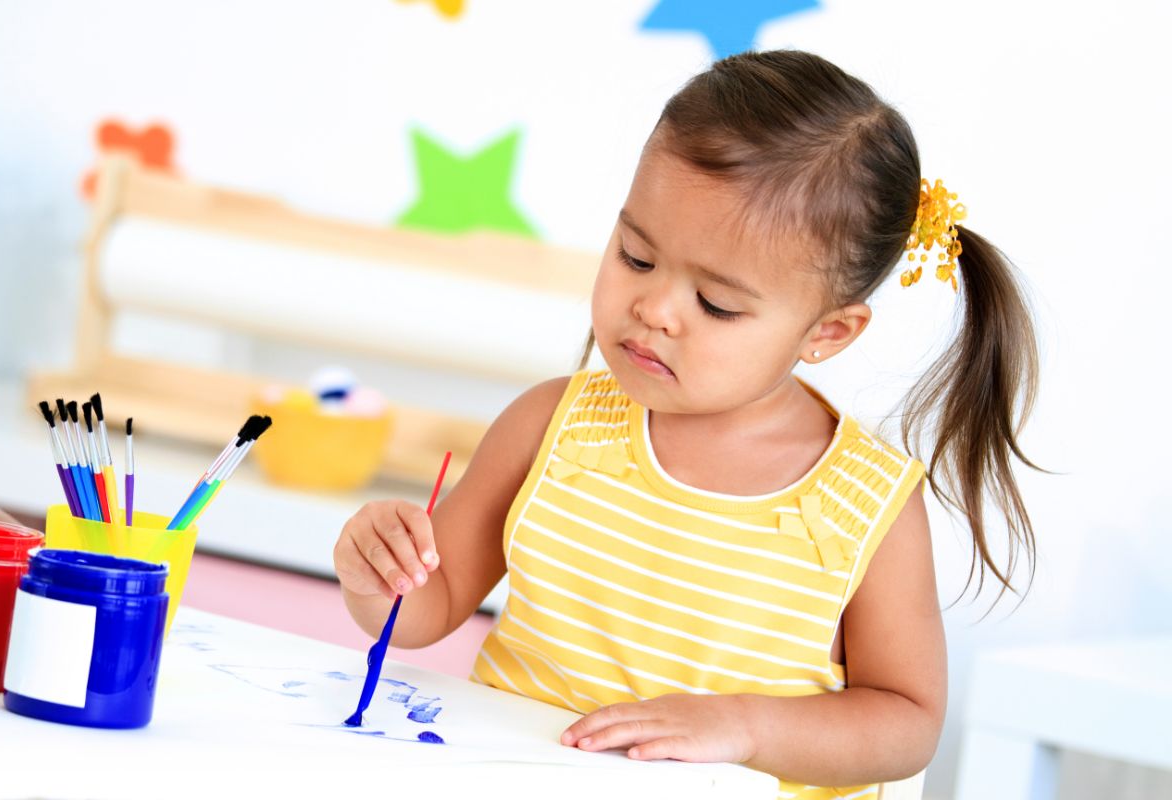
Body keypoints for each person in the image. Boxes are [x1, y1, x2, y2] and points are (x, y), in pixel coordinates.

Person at [333, 50, 1039, 798]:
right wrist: (376, 574)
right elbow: (424, 612)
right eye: (637, 257)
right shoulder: (552, 425)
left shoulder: (867, 504)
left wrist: (744, 727)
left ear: (827, 334)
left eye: (717, 305)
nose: (656, 310)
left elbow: (906, 723)